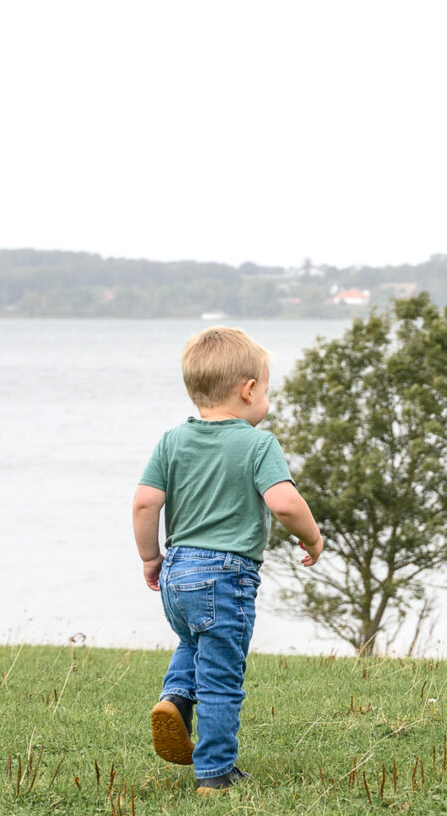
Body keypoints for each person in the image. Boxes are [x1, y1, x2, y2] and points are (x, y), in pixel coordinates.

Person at [132, 326, 323, 791]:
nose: (268, 402)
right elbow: (284, 503)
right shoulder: (259, 445)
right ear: (249, 389)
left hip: (177, 569)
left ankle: (175, 699)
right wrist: (313, 539)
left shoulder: (171, 441)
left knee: (194, 642)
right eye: (269, 392)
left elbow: (144, 503)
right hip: (226, 574)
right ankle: (215, 774)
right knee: (222, 674)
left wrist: (150, 558)